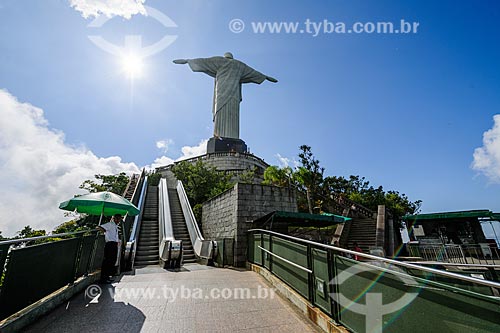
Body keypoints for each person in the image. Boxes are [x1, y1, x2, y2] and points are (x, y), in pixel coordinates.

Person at [173, 52, 277, 139]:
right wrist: (266, 77)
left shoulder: (219, 61)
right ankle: (228, 136)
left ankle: (220, 136)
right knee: (231, 115)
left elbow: (204, 62)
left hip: (221, 92)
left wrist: (188, 60)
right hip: (233, 94)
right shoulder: (239, 65)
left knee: (222, 112)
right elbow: (253, 72)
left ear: (225, 56)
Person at [97, 214, 122, 283]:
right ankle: (104, 278)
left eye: (119, 219)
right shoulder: (110, 224)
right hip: (110, 244)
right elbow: (99, 227)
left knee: (112, 260)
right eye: (118, 218)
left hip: (114, 244)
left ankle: (107, 276)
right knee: (108, 261)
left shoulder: (115, 226)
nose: (119, 220)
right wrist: (105, 232)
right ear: (114, 218)